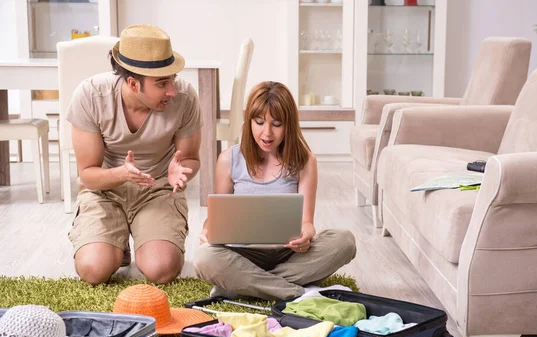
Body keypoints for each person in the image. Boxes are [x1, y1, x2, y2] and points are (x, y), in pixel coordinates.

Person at [193, 81, 356, 300]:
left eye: (277, 124)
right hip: (244, 255)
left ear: (289, 125)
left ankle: (240, 285)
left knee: (344, 241)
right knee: (204, 258)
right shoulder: (228, 160)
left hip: (289, 254)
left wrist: (306, 236)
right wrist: (207, 230)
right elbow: (215, 219)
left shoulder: (305, 161)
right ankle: (298, 293)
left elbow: (307, 223)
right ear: (249, 121)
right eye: (259, 122)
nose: (267, 133)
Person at [67, 24, 202, 285]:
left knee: (161, 270)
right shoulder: (91, 96)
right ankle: (116, 244)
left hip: (158, 190)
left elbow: (192, 159)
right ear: (132, 83)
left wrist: (181, 170)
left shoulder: (184, 98)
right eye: (162, 83)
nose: (172, 90)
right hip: (105, 191)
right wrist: (122, 174)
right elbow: (88, 175)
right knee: (94, 270)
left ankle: (139, 237)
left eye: (173, 78)